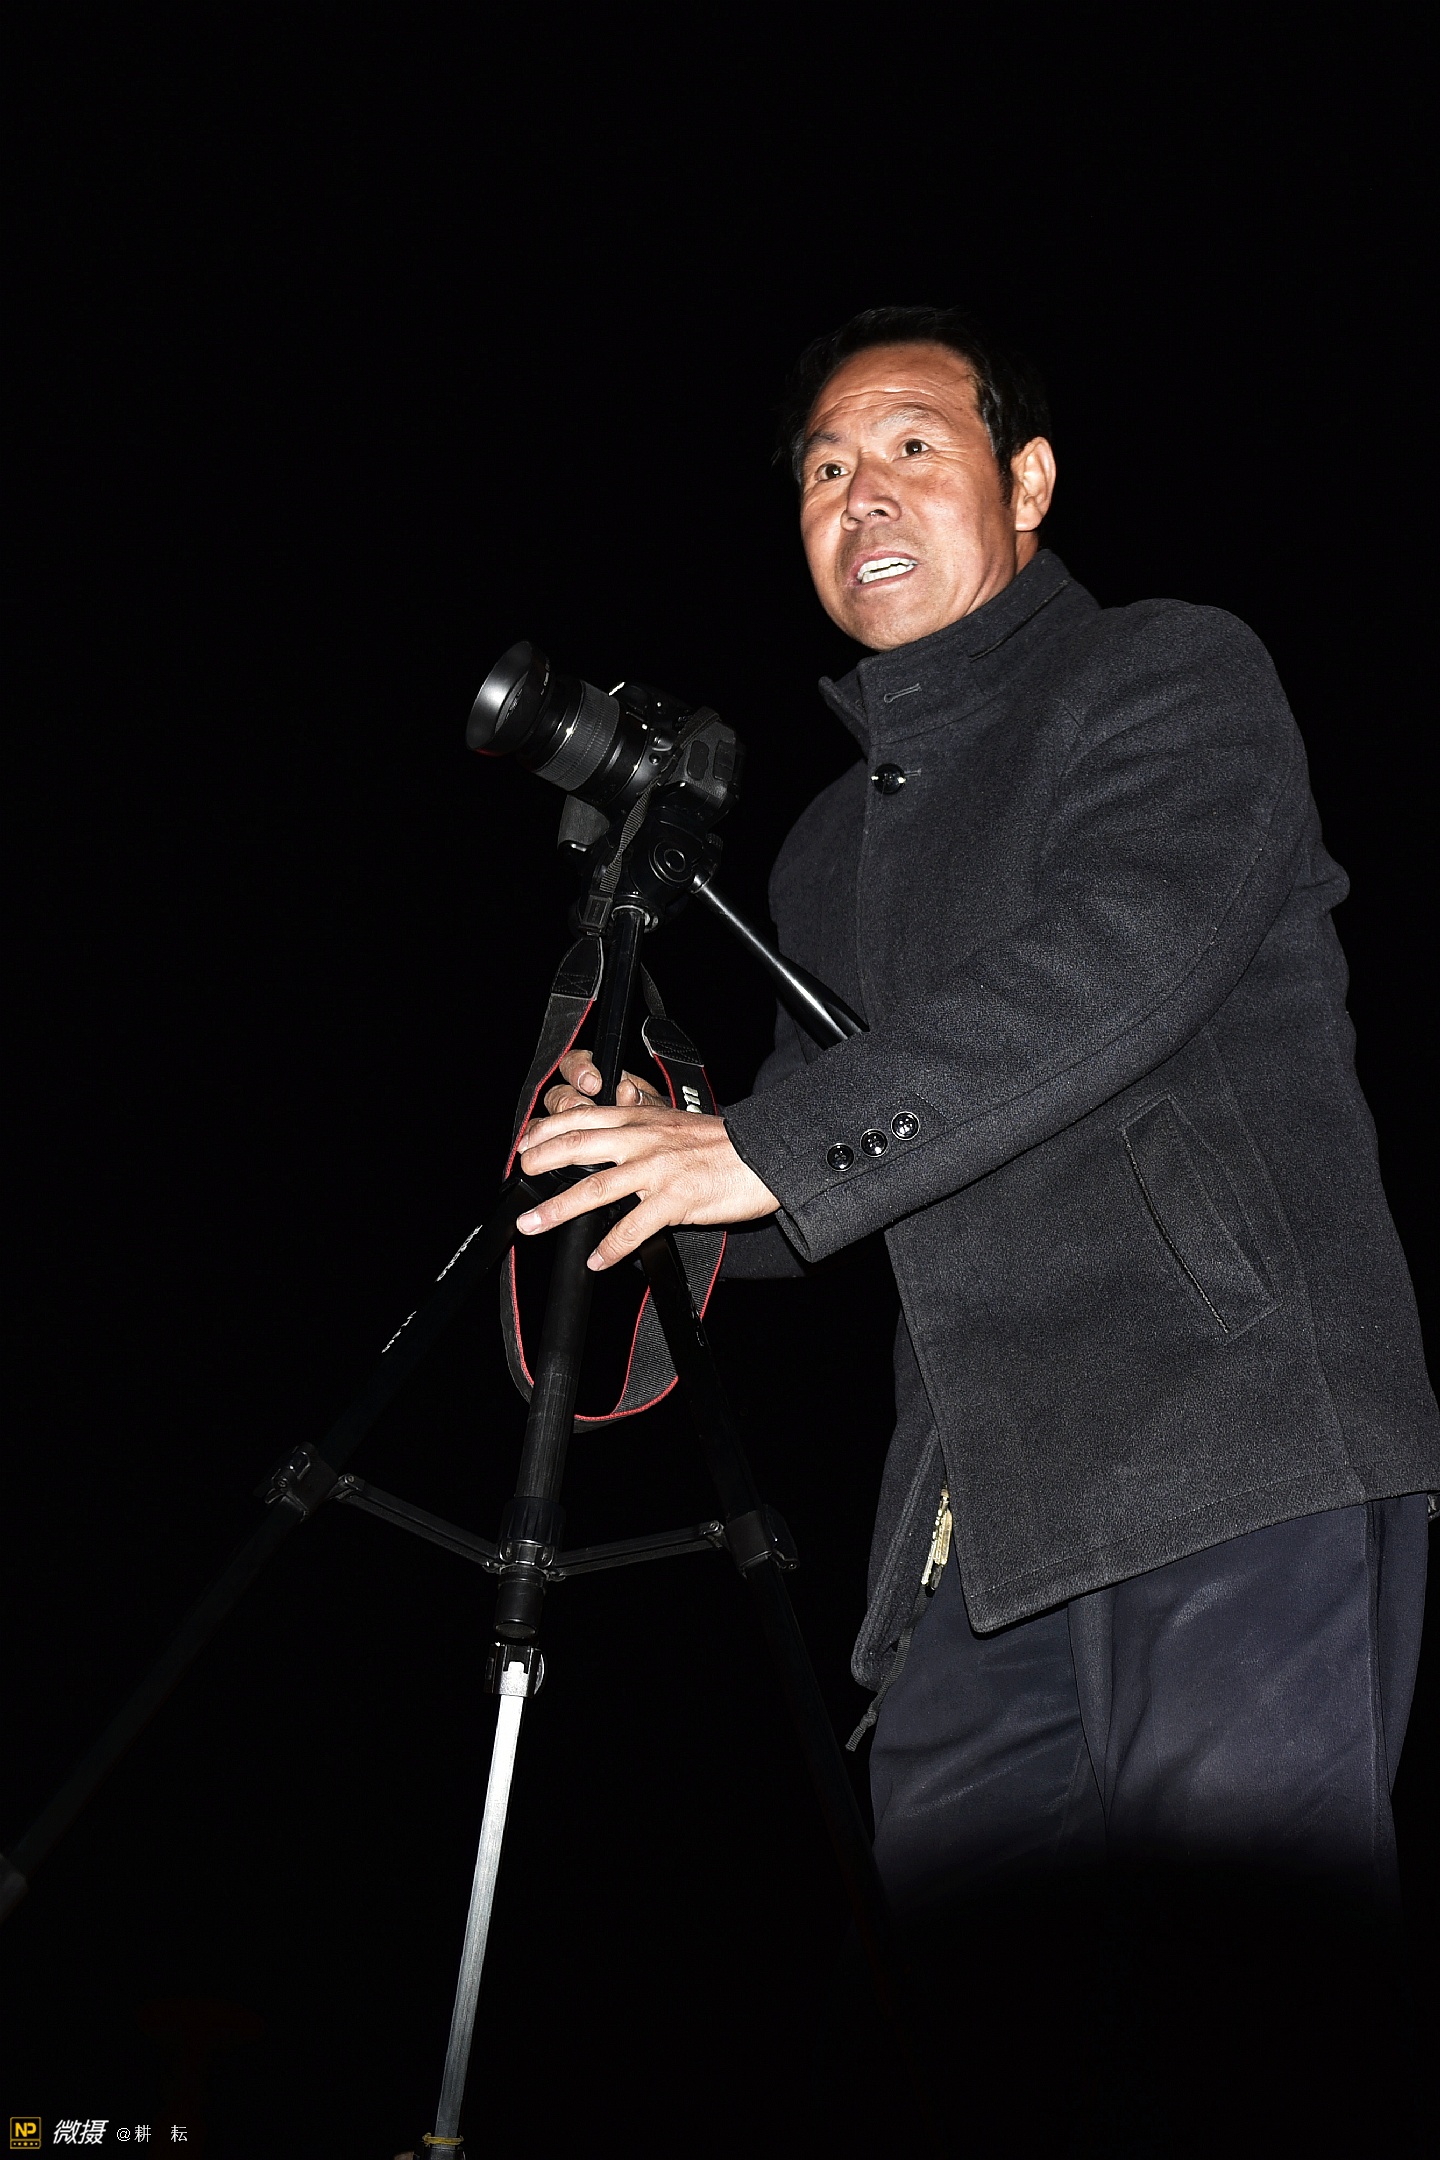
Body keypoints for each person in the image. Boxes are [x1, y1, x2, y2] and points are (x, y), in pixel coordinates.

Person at [513, 307, 1437, 2147]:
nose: (860, 493)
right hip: (968, 1539)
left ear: (1028, 482)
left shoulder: (1169, 669)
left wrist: (765, 1148)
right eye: (823, 468)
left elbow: (1129, 953)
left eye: (912, 448)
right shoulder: (822, 850)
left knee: (1248, 2039)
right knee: (963, 2063)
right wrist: (650, 1161)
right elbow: (815, 1184)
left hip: (1228, 1440)